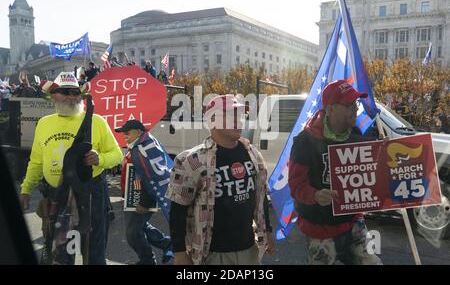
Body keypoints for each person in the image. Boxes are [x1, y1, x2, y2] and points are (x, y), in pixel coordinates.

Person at [20, 71, 123, 265]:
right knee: (60, 253)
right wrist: (26, 189)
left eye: (76, 92)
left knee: (93, 251)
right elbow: (36, 161)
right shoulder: (44, 124)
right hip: (56, 195)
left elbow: (117, 155)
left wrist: (99, 158)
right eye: (65, 91)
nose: (71, 96)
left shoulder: (97, 121)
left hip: (91, 193)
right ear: (53, 95)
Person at [166, 94, 275, 265]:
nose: (239, 120)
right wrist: (179, 252)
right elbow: (177, 210)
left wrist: (267, 230)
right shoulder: (192, 160)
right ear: (213, 119)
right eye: (232, 114)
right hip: (211, 254)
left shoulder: (252, 154)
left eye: (241, 115)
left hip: (248, 249)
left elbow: (260, 196)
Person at [288, 80, 382, 265]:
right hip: (319, 229)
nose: (355, 109)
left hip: (354, 223)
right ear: (330, 110)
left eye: (355, 104)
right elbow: (296, 185)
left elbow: (367, 178)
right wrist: (315, 195)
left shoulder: (356, 134)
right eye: (348, 105)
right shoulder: (304, 141)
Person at [115, 119, 173, 265]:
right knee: (140, 227)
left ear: (139, 131)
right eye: (123, 132)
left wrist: (145, 203)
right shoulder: (140, 144)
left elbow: (151, 176)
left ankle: (148, 260)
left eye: (128, 132)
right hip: (132, 196)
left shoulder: (142, 148)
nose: (125, 134)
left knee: (132, 233)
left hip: (141, 199)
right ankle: (166, 243)